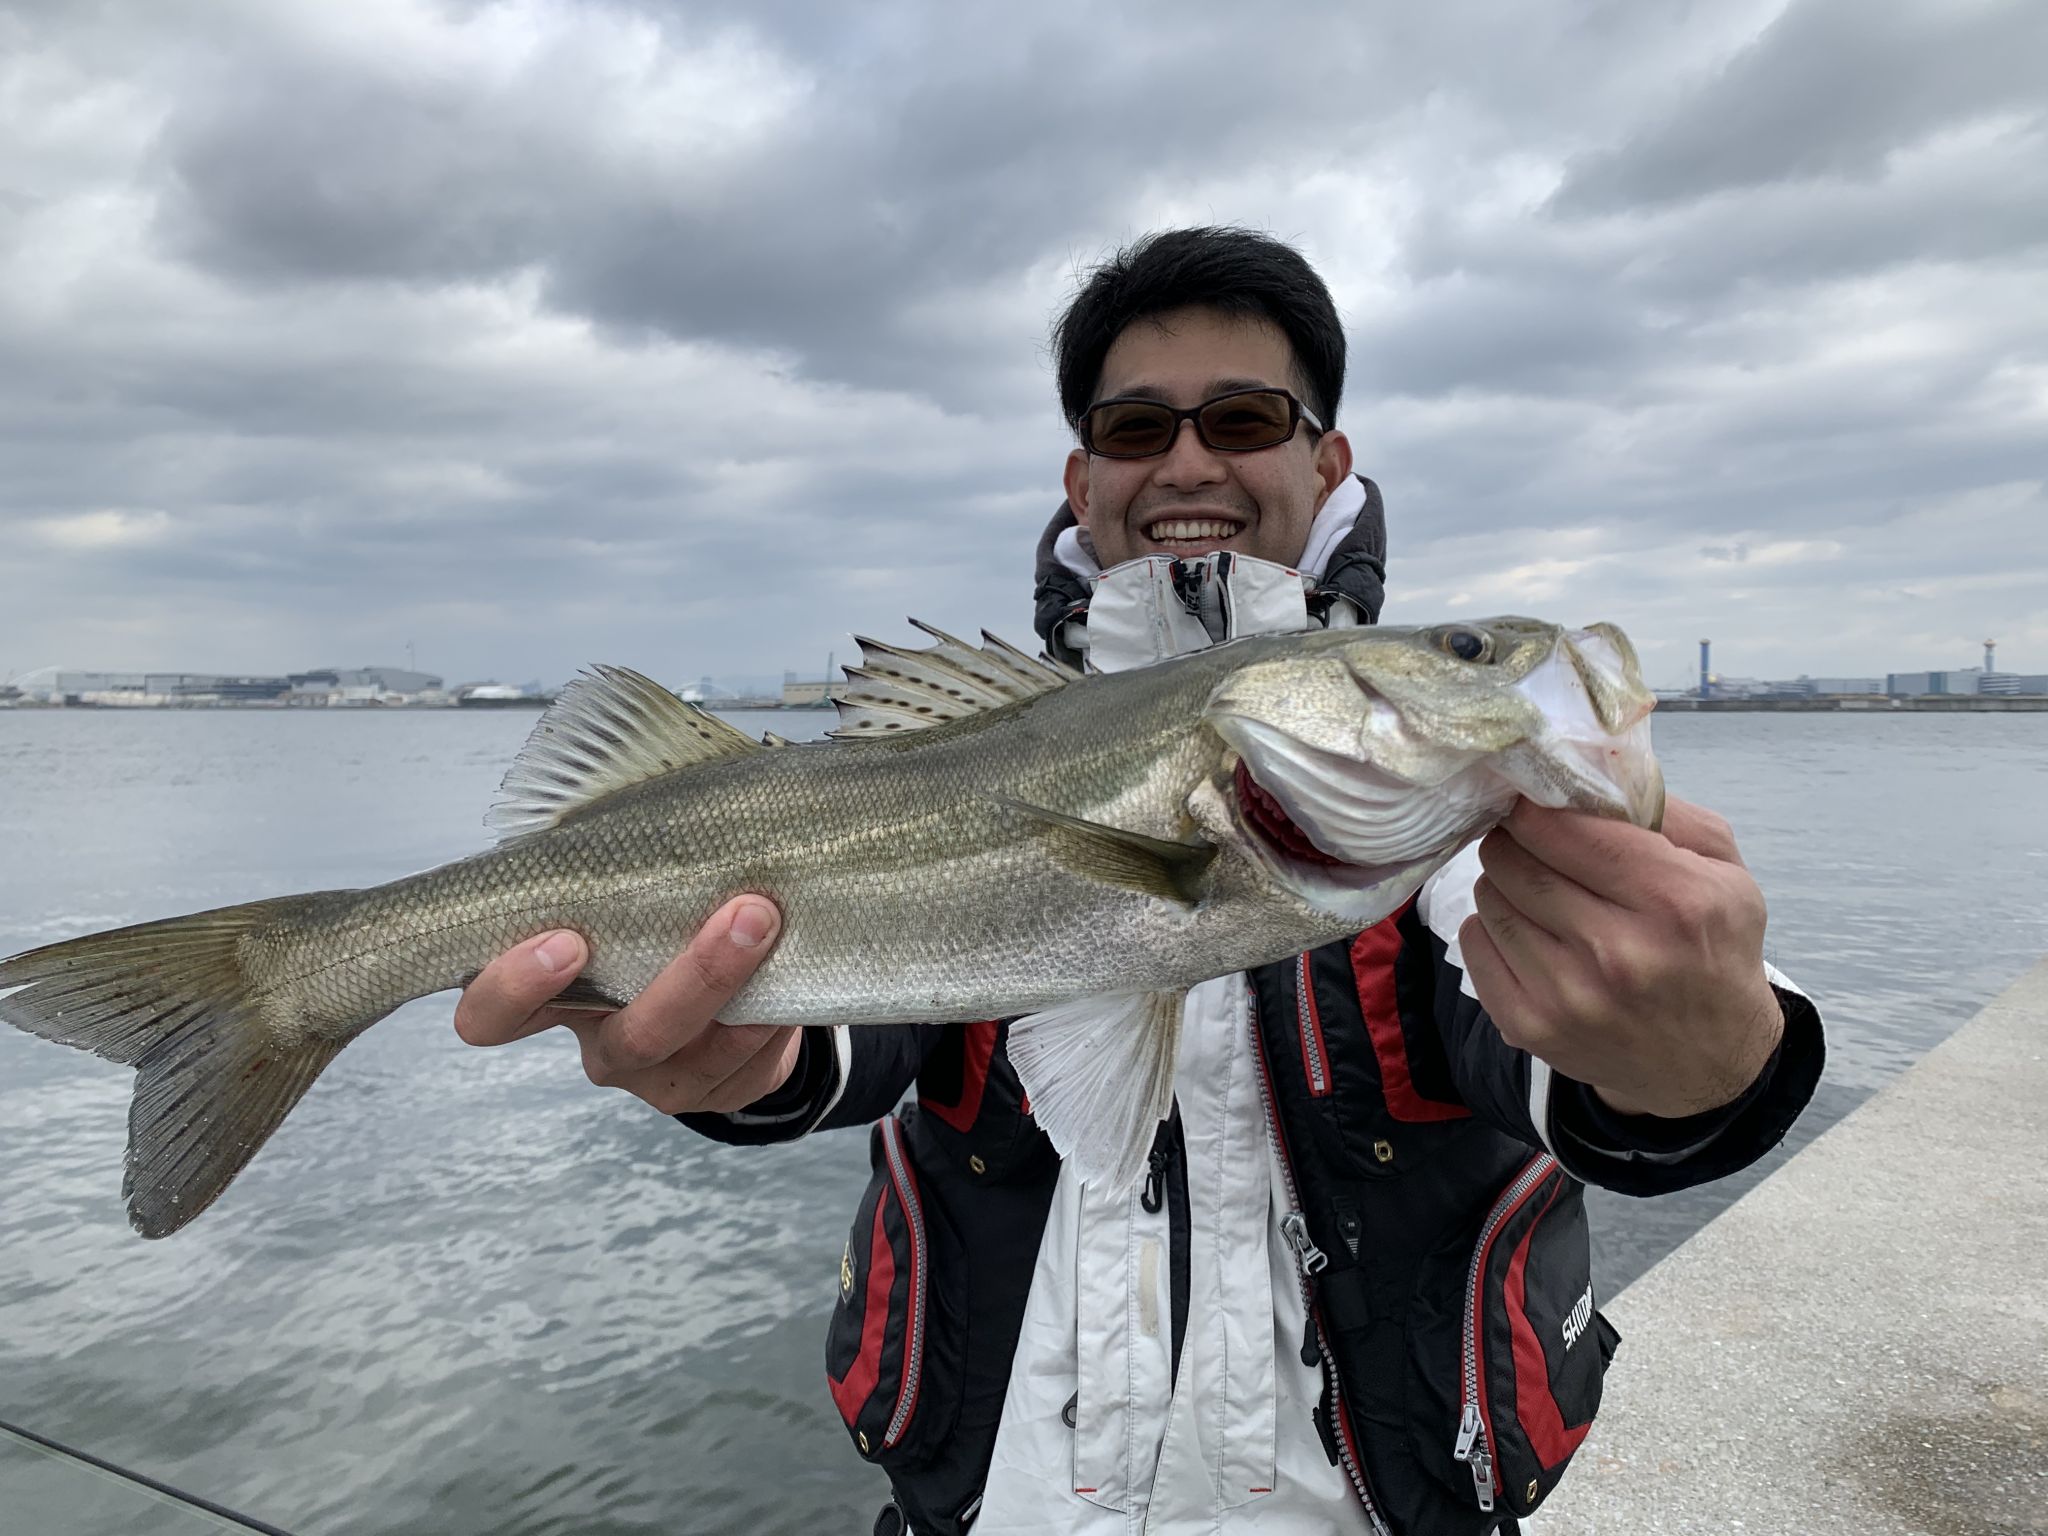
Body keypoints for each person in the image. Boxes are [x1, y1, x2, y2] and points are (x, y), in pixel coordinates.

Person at [454, 228, 1823, 1535]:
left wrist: (1712, 1057)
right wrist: (735, 1067)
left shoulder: (1441, 823)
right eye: (1134, 429)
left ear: (1324, 457)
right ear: (1081, 479)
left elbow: (1585, 1065)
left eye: (1241, 421)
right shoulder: (984, 743)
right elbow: (852, 1036)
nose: (1187, 462)